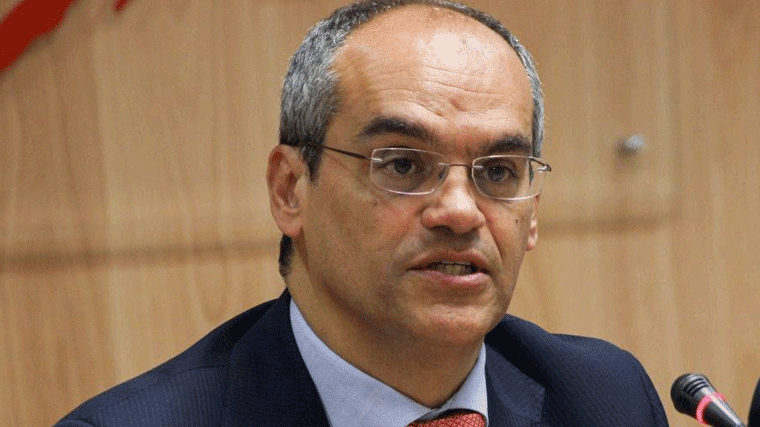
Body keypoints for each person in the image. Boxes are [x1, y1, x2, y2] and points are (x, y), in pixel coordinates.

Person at [54, 1, 669, 426]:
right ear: (290, 190)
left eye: (498, 172)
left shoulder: (604, 400)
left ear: (531, 215)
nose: (460, 212)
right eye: (402, 164)